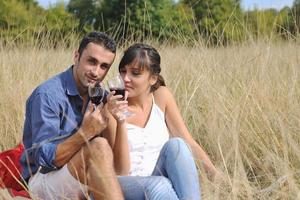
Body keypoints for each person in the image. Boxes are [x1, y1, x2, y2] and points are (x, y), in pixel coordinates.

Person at [20, 32, 184, 200]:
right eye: (91, 61)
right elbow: (42, 158)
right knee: (99, 145)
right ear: (76, 56)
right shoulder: (48, 95)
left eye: (104, 66)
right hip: (43, 179)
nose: (96, 72)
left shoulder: (102, 96)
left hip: (84, 175)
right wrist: (85, 133)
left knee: (158, 182)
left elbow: (117, 167)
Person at [106, 43, 218, 200]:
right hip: (126, 185)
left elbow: (188, 142)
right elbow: (121, 171)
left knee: (177, 144)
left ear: (153, 78)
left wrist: (216, 176)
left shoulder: (162, 96)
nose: (126, 79)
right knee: (160, 185)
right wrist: (121, 121)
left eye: (135, 73)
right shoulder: (112, 108)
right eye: (123, 71)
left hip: (158, 179)